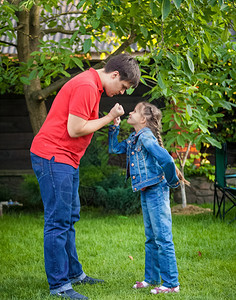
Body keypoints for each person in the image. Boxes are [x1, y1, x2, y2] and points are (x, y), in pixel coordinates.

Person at [30, 53, 140, 300]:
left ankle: (74, 274)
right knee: (58, 221)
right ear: (114, 75)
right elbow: (75, 128)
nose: (122, 92)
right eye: (123, 86)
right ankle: (59, 285)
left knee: (69, 217)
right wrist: (110, 117)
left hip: (67, 158)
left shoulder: (93, 86)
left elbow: (83, 123)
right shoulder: (86, 86)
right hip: (53, 157)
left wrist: (108, 121)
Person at [108, 101, 190, 295]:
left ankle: (171, 284)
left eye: (134, 110)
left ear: (143, 119)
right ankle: (151, 278)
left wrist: (171, 183)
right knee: (151, 238)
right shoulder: (135, 137)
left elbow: (167, 160)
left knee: (162, 238)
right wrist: (115, 127)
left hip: (156, 190)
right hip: (147, 190)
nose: (130, 111)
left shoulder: (145, 136)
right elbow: (114, 148)